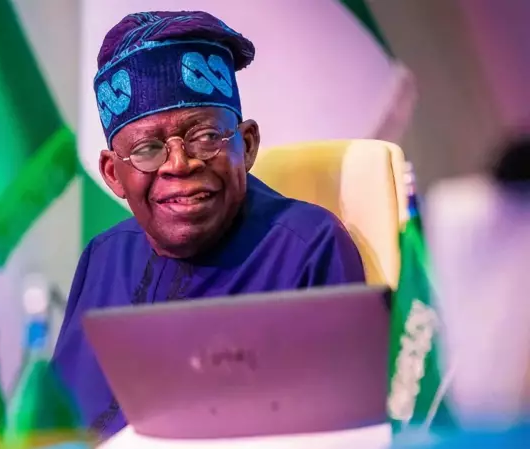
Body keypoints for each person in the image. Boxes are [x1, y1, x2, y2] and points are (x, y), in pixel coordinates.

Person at [51, 10, 366, 439]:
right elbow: (55, 429)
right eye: (147, 150)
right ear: (113, 174)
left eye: (205, 138)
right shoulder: (103, 258)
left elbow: (341, 436)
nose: (179, 165)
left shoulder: (307, 248)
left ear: (247, 145)